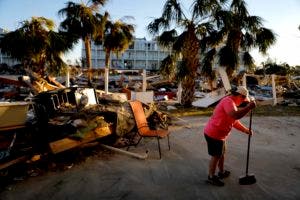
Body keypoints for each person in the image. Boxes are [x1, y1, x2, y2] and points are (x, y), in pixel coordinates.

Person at [203, 86, 256, 186]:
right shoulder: (228, 101)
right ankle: (211, 176)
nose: (243, 101)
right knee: (216, 156)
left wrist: (245, 130)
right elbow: (234, 115)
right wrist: (248, 107)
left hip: (220, 136)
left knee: (221, 154)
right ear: (240, 96)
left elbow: (234, 121)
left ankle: (221, 172)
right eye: (244, 99)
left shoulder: (232, 103)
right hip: (214, 134)